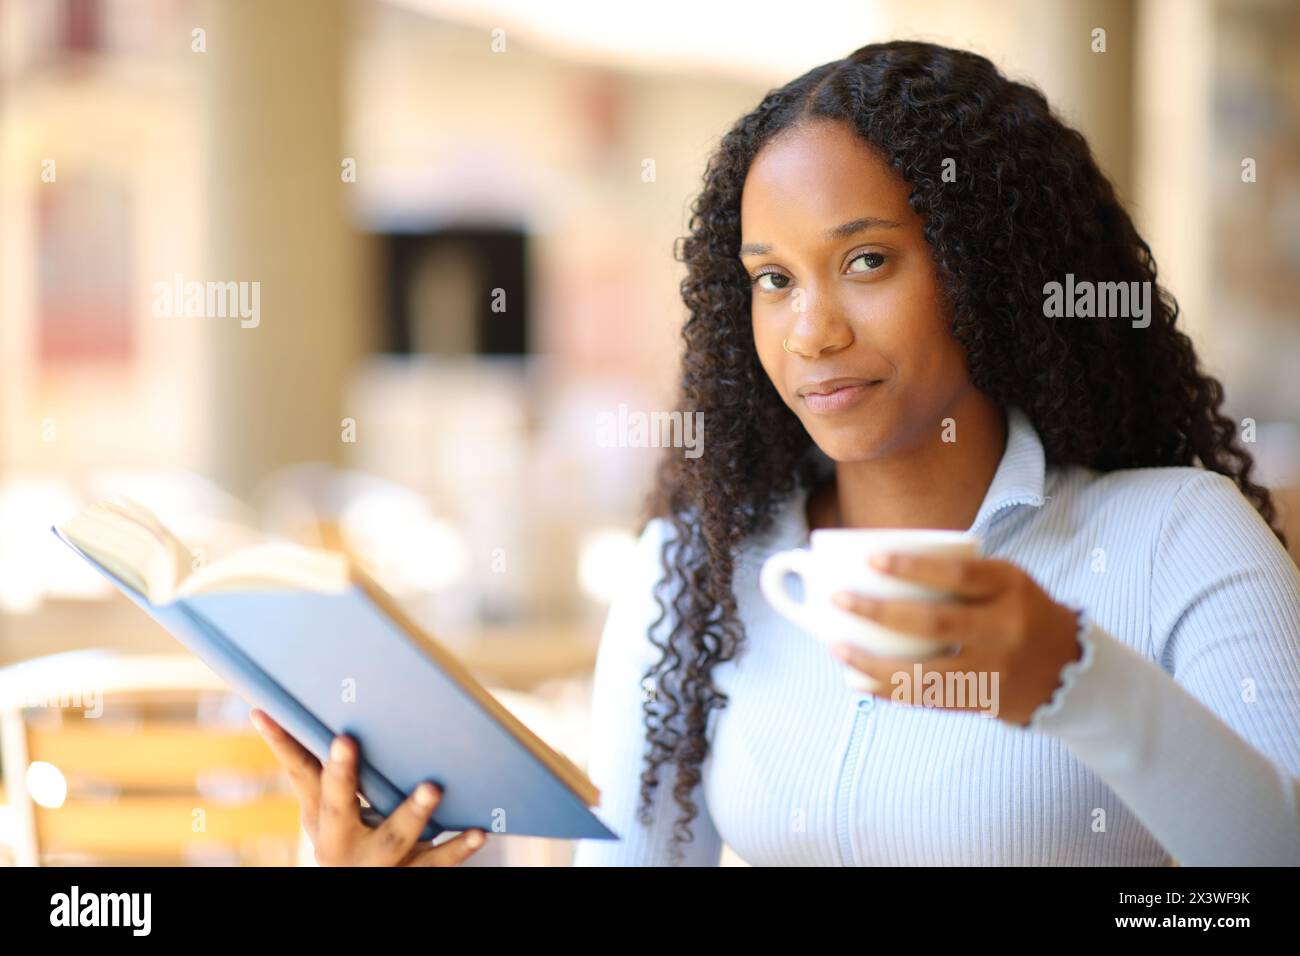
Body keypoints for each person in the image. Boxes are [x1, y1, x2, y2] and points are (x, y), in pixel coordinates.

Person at [255, 40, 1300, 867]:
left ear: (989, 266)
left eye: (865, 260)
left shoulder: (1173, 536)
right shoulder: (699, 565)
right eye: (773, 278)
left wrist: (1077, 678)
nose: (811, 331)